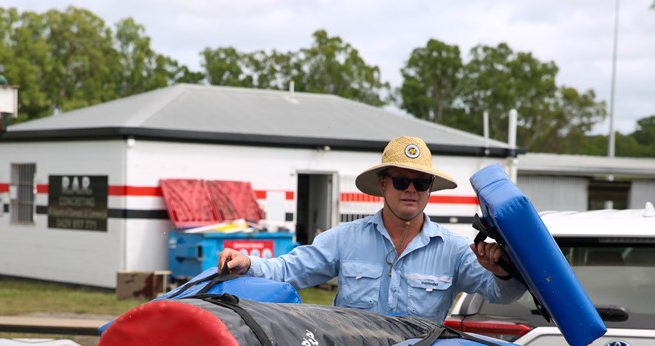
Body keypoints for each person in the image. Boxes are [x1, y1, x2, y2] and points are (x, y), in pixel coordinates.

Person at [217, 135, 526, 323]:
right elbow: (289, 269)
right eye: (401, 181)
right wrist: (248, 263)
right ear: (383, 183)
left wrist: (501, 271)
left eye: (421, 183)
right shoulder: (345, 238)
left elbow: (502, 295)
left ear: (430, 188)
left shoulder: (454, 249)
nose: (411, 190)